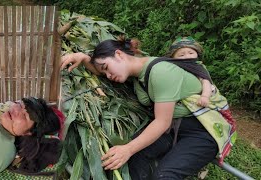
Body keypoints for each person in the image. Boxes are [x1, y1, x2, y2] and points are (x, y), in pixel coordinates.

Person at [61, 37, 236, 179]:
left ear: (119, 55)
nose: (107, 75)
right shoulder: (136, 72)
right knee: (134, 160)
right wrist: (83, 58)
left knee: (165, 175)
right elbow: (100, 70)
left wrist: (127, 149)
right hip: (173, 128)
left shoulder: (160, 72)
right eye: (104, 72)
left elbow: (161, 122)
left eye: (107, 68)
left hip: (202, 131)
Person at [166, 36, 213, 107]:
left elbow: (206, 82)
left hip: (198, 100)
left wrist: (205, 96)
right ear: (173, 58)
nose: (187, 56)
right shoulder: (171, 68)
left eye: (191, 53)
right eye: (181, 55)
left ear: (197, 53)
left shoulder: (198, 68)